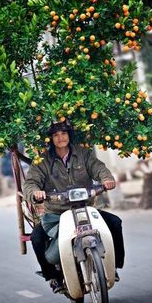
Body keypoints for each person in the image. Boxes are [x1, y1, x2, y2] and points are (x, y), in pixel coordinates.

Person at [23, 119, 125, 293]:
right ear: (50, 139)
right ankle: (53, 277)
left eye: (63, 133)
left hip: (85, 209)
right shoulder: (42, 161)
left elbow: (98, 167)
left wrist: (106, 179)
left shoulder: (83, 154)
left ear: (69, 135)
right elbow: (30, 183)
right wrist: (35, 193)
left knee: (115, 223)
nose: (60, 138)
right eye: (55, 135)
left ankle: (113, 266)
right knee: (37, 239)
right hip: (55, 214)